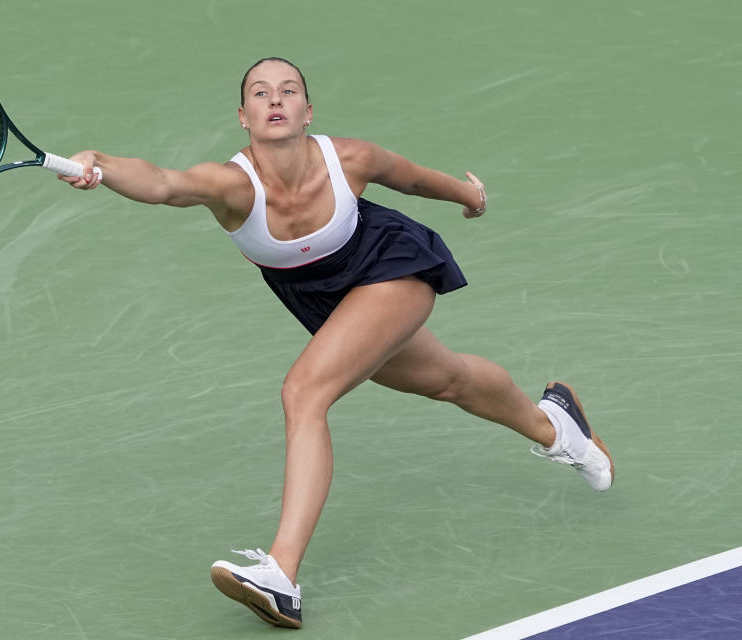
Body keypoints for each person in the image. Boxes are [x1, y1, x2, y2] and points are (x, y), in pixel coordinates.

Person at [59, 57, 614, 629]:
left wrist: (470, 197)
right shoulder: (231, 186)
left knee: (304, 393)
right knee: (449, 379)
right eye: (260, 92)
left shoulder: (348, 159)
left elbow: (415, 178)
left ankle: (280, 575)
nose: (275, 99)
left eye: (288, 90)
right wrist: (97, 162)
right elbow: (162, 183)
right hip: (329, 304)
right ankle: (558, 427)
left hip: (392, 269)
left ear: (306, 110)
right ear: (244, 117)